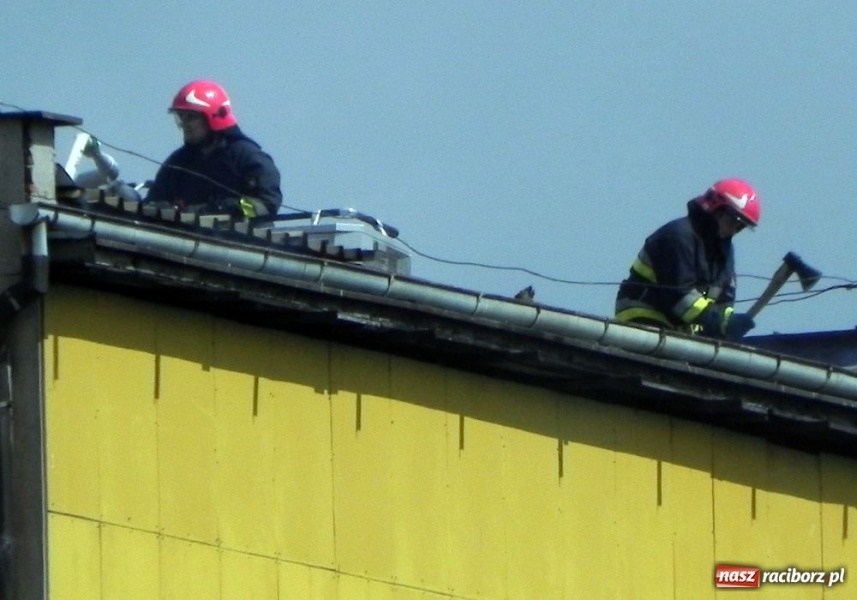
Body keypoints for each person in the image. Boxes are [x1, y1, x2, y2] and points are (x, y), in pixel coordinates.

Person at [614, 178, 759, 341]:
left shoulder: (724, 252)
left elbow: (724, 299)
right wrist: (716, 321)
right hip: (643, 314)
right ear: (715, 209)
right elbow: (679, 296)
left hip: (682, 326)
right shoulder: (678, 237)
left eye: (740, 227)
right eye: (731, 222)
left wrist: (725, 326)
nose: (733, 231)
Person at [145, 79, 282, 218]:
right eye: (181, 117)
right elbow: (151, 203)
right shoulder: (177, 163)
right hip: (179, 232)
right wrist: (158, 208)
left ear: (214, 117)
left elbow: (266, 204)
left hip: (236, 232)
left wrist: (225, 208)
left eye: (191, 117)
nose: (185, 124)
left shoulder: (246, 157)